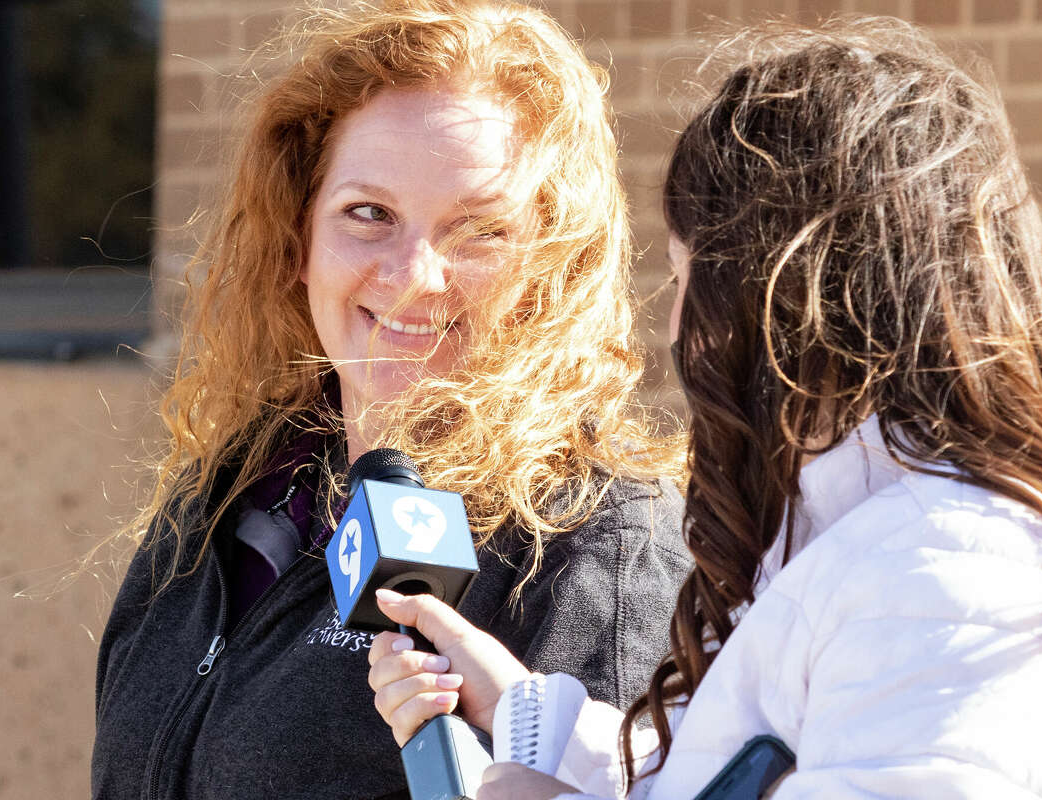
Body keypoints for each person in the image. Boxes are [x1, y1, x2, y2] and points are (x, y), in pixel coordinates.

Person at [368, 17, 1042, 800]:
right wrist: (528, 714)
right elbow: (718, 776)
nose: (678, 326)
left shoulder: (949, 577)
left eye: (691, 279)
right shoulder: (864, 535)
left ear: (794, 290)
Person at [89, 2, 691, 798]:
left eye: (478, 230)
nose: (414, 274)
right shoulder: (223, 506)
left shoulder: (598, 544)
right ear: (297, 240)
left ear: (546, 268)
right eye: (368, 214)